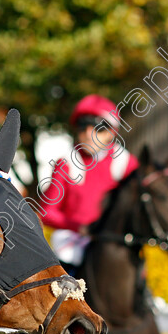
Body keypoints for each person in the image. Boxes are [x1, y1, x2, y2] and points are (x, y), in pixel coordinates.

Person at [40, 95, 139, 274]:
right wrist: (79, 227)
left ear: (112, 132)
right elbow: (46, 211)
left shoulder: (125, 162)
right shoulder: (66, 163)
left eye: (98, 128)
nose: (88, 133)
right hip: (74, 247)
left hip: (115, 244)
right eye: (82, 127)